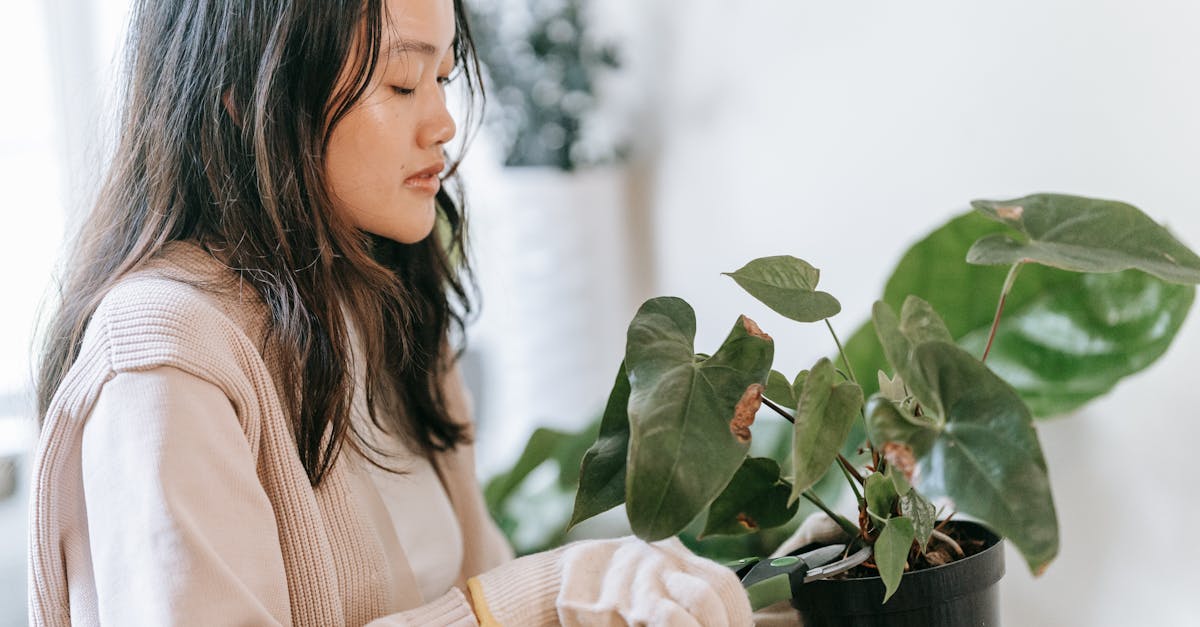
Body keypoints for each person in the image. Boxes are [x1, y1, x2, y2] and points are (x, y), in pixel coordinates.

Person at [27, 0, 756, 625]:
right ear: (246, 97)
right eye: (402, 82)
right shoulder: (163, 355)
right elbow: (499, 600)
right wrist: (546, 593)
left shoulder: (390, 300)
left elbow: (484, 580)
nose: (442, 121)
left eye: (441, 77)